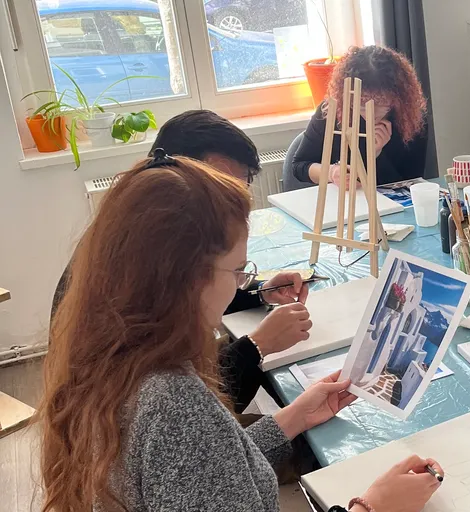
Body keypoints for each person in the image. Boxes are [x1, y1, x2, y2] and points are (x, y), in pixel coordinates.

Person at [38, 154, 443, 511]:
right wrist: (372, 508)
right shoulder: (173, 405)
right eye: (237, 270)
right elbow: (197, 463)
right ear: (186, 279)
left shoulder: (110, 359)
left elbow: (203, 477)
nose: (239, 285)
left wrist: (290, 419)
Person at [51, 110, 310, 413]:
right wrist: (257, 346)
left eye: (242, 181)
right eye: (223, 181)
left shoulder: (138, 236)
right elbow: (199, 408)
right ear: (181, 183)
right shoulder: (130, 284)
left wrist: (256, 290)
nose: (237, 195)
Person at [283, 45, 429, 190]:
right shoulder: (331, 111)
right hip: (343, 204)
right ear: (347, 94)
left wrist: (376, 155)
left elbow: (411, 183)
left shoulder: (411, 120)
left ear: (397, 97)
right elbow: (299, 166)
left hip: (388, 206)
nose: (370, 112)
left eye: (380, 103)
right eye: (361, 104)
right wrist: (332, 172)